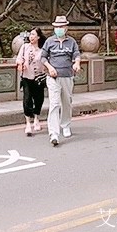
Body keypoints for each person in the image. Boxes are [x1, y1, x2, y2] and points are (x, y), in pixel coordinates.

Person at [40, 15, 81, 147]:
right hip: (53, 77)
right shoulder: (50, 41)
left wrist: (77, 64)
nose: (59, 29)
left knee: (67, 102)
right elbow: (43, 57)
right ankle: (54, 133)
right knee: (54, 104)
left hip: (67, 76)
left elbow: (76, 55)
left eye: (61, 27)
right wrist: (50, 67)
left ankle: (66, 125)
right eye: (57, 27)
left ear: (66, 28)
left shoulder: (71, 42)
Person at [15, 28, 46, 135]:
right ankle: (28, 123)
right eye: (30, 35)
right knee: (27, 99)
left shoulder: (42, 50)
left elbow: (46, 61)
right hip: (26, 77)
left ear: (38, 37)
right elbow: (19, 59)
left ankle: (36, 118)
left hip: (39, 78)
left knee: (38, 99)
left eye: (33, 35)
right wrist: (20, 64)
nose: (31, 37)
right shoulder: (24, 47)